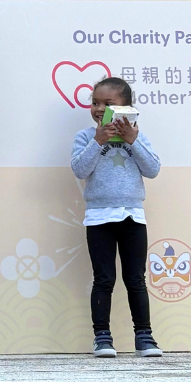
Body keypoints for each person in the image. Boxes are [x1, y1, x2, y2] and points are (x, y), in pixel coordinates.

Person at [71, 77, 163, 358]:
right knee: (104, 279)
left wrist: (132, 141)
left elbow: (153, 169)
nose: (99, 109)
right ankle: (102, 337)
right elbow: (79, 170)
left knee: (136, 278)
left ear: (126, 108)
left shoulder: (137, 137)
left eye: (108, 104)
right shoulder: (86, 137)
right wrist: (98, 141)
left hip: (132, 216)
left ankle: (144, 337)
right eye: (95, 103)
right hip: (98, 218)